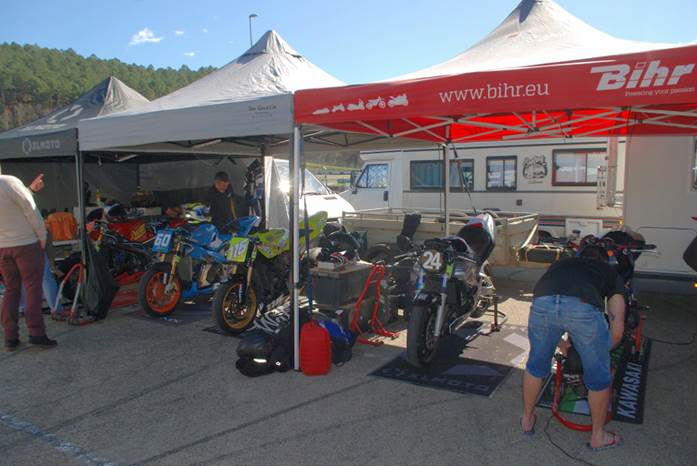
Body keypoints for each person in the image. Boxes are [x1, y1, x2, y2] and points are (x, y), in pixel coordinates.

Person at [521, 245, 625, 451]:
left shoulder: (561, 264)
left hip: (542, 303)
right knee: (599, 379)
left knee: (535, 367)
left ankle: (527, 420)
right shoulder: (609, 272)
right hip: (583, 306)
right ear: (605, 261)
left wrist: (560, 343)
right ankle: (598, 437)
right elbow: (617, 331)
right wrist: (598, 353)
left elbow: (554, 306)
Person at [0, 172, 56, 351]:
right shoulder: (9, 181)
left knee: (11, 290)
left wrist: (29, 189)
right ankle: (36, 333)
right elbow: (31, 210)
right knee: (32, 288)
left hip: (3, 247)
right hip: (26, 244)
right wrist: (42, 236)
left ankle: (10, 337)